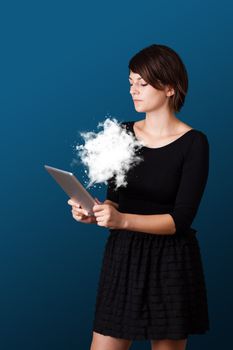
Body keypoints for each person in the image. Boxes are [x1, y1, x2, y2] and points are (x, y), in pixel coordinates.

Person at [67, 44, 210, 350]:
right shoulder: (122, 133)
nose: (134, 90)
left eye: (142, 84)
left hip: (171, 260)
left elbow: (180, 220)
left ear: (169, 87)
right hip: (124, 256)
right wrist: (96, 213)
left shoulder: (194, 142)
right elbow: (115, 201)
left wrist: (121, 220)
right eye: (131, 82)